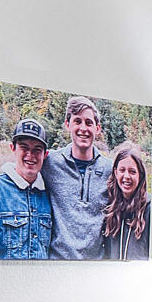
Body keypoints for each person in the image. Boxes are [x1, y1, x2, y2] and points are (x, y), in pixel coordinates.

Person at [0, 118, 56, 260]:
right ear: (13, 148)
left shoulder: (50, 194)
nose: (30, 155)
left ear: (45, 155)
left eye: (37, 149)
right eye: (24, 147)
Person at [41, 95, 116, 259]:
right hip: (56, 263)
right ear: (68, 125)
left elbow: (132, 197)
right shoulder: (50, 162)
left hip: (96, 265)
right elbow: (21, 171)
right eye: (77, 121)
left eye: (89, 123)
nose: (83, 128)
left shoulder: (110, 169)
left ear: (97, 128)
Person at [95, 141, 151, 260]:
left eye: (132, 171)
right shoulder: (110, 209)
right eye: (122, 170)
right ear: (115, 172)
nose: (126, 176)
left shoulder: (149, 209)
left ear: (140, 174)